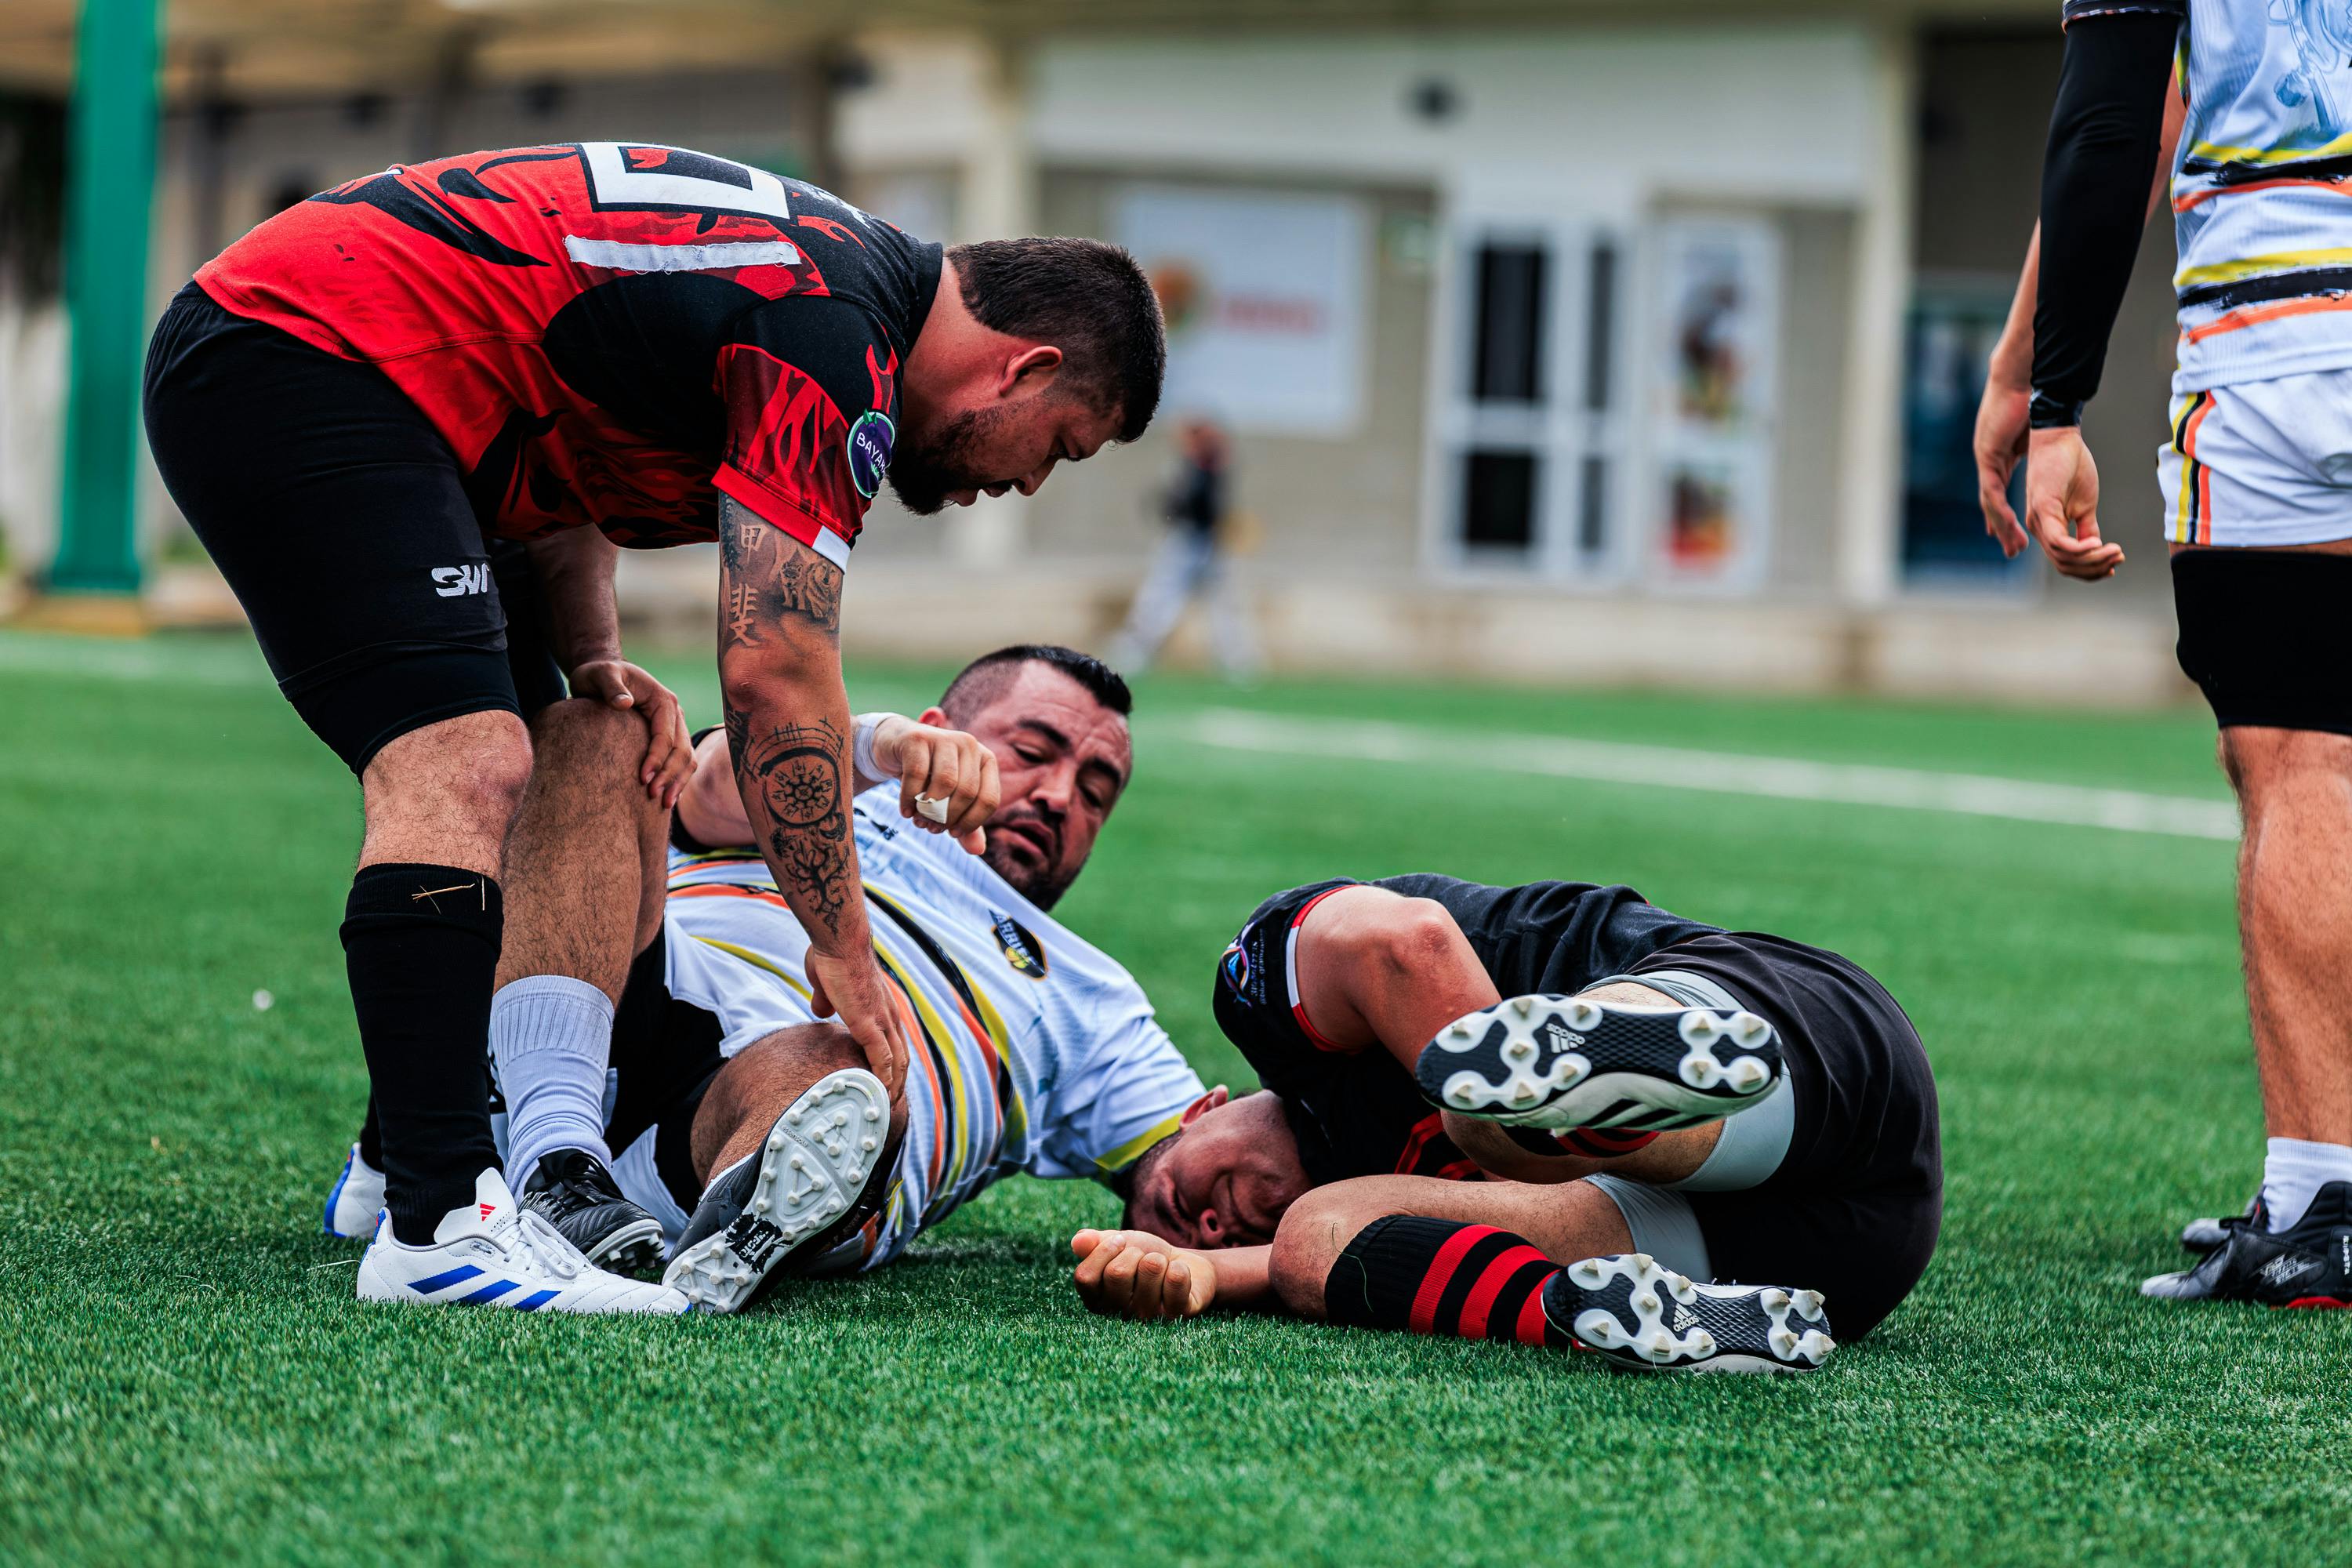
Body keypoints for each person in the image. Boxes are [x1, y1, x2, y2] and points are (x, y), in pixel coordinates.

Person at [147, 143, 1164, 1311]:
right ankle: (436, 1228)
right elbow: (778, 664)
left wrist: (592, 660)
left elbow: (560, 462)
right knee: (463, 760)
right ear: (1022, 367)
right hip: (309, 351)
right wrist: (843, 945)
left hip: (336, 357)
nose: (1033, 482)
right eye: (1061, 445)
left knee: (581, 733)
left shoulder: (840, 285)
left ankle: (395, 1167)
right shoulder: (840, 337)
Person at [322, 645, 1207, 1312]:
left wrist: (1226, 1246)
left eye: (1096, 789)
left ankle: (725, 1227)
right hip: (626, 1004)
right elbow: (706, 786)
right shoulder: (837, 785)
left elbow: (1201, 1165)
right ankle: (551, 1160)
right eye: (1034, 750)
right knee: (599, 725)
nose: (1060, 796)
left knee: (849, 1074)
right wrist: (875, 746)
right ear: (945, 731)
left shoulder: (1095, 1001)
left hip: (752, 1115)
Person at [1975, 5, 2352, 1305]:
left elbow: (2118, 120)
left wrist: (2046, 395)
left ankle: (2320, 1199)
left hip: (2290, 344)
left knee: (2303, 754)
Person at [1068, 872, 1941, 1372]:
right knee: (1313, 1242)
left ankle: (1598, 1074)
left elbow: (1409, 941)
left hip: (1802, 1046)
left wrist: (1501, 1144)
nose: (1214, 1225)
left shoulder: (1265, 1002)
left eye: (1176, 1199)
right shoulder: (1356, 1202)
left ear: (1203, 1109)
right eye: (1206, 1236)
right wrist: (1204, 1275)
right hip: (1834, 1264)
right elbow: (1288, 1254)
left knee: (1480, 1112)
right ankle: (1628, 1312)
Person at [1108, 417, 1256, 678]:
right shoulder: (1184, 468)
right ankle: (1132, 654)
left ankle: (1239, 664)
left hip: (1211, 542)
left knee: (1225, 606)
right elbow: (1170, 504)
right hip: (1185, 541)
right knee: (1158, 600)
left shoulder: (1215, 468)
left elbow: (1216, 507)